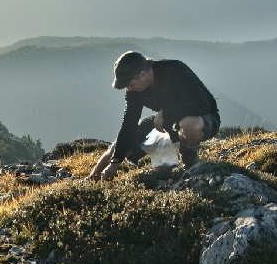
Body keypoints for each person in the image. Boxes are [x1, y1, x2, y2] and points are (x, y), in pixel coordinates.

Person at [87, 50, 220, 181]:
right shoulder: (135, 90)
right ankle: (93, 177)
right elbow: (129, 124)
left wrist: (165, 113)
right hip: (167, 122)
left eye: (129, 84)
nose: (128, 89)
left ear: (143, 74)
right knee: (120, 146)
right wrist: (114, 163)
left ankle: (189, 158)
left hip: (204, 118)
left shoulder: (175, 70)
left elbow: (201, 105)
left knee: (189, 125)